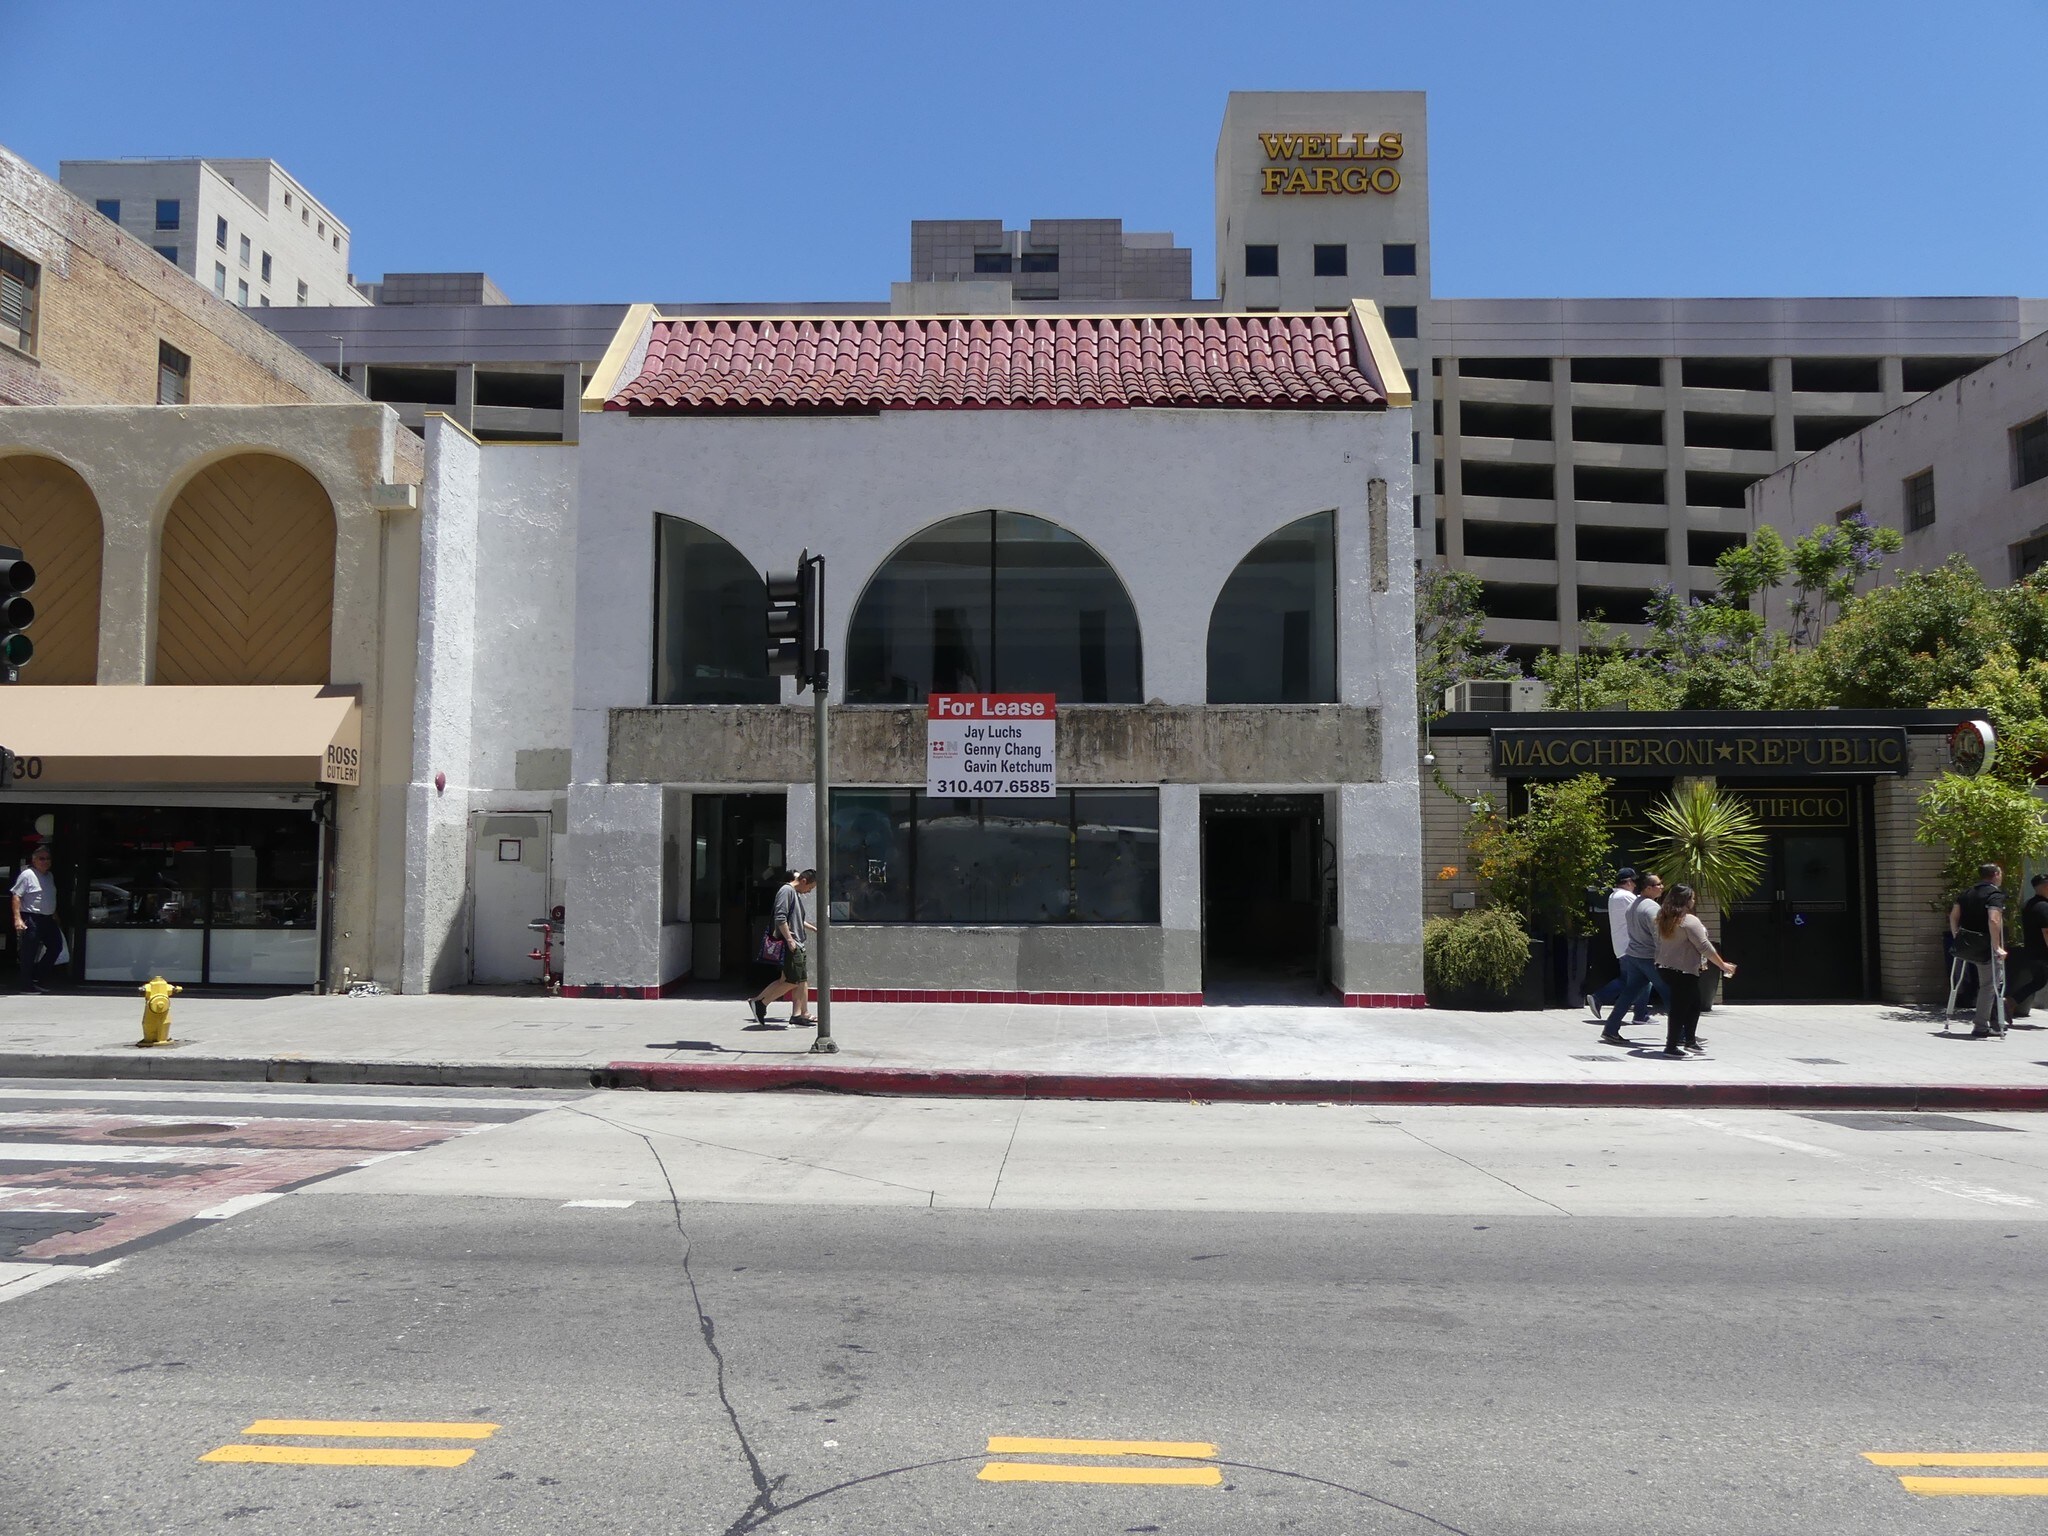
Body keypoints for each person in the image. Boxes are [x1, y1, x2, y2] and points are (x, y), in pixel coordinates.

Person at [1652, 884, 1736, 1059]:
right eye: (1692, 898)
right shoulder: (1689, 921)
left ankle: (1690, 1041)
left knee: (1694, 1003)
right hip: (1682, 970)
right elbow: (1704, 946)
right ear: (1685, 900)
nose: (1694, 901)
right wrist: (1723, 965)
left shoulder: (1664, 917)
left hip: (1666, 968)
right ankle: (1671, 1046)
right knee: (1680, 1008)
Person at [1600, 872, 1671, 1046]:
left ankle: (1610, 1029)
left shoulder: (1634, 904)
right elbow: (1658, 935)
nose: (1662, 886)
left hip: (1634, 956)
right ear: (1648, 888)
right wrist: (1665, 957)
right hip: (1649, 958)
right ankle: (1681, 1035)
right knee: (1670, 993)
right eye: (1658, 884)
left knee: (1629, 992)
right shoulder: (1652, 908)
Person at [751, 869, 818, 1027]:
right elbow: (780, 917)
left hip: (797, 942)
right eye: (810, 887)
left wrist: (813, 929)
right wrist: (789, 940)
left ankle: (800, 1014)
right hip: (793, 944)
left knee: (799, 980)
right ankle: (761, 1003)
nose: (809, 891)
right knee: (792, 980)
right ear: (803, 881)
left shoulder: (794, 893)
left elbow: (796, 919)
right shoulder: (786, 891)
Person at [1950, 862, 2008, 1039]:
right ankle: (1981, 1026)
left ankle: (1953, 1017)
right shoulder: (1994, 894)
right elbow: (1994, 920)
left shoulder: (1966, 893)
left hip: (1966, 945)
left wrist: (1957, 937)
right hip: (1985, 948)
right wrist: (1997, 946)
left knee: (1963, 981)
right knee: (1989, 985)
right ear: (1996, 874)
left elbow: (1953, 916)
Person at [1584, 869, 1648, 1022]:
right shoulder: (1625, 896)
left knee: (1639, 979)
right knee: (1636, 979)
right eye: (1634, 882)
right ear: (1628, 882)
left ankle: (1641, 1014)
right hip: (1630, 946)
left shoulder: (1614, 896)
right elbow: (1641, 911)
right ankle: (1599, 997)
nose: (1635, 886)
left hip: (1623, 946)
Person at [11, 844, 62, 994]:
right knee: (29, 952)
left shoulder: (49, 876)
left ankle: (36, 977)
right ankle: (26, 985)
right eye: (42, 858)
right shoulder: (27, 875)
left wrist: (55, 915)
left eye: (48, 859)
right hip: (32, 917)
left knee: (56, 947)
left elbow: (48, 896)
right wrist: (17, 919)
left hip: (48, 918)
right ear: (34, 860)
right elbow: (16, 896)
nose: (45, 861)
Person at [2005, 873, 2048, 1019]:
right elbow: (2046, 931)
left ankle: (2011, 1001)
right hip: (2043, 953)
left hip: (2032, 951)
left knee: (2039, 981)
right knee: (2039, 981)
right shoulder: (2044, 907)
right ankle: (2010, 1002)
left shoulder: (2029, 904)